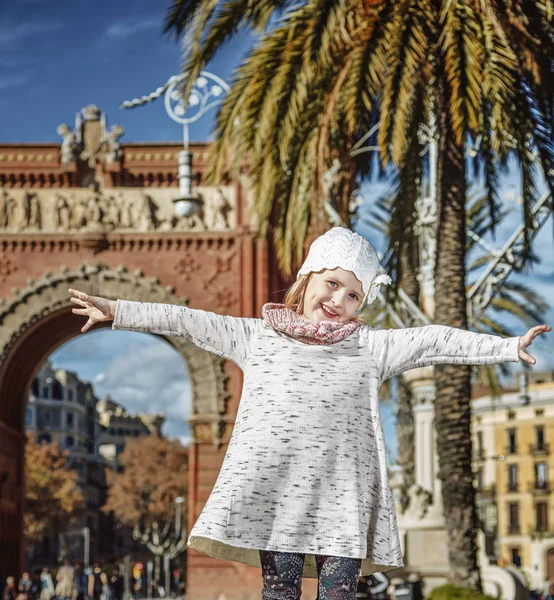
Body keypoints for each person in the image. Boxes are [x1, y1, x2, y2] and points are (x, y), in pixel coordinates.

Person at [68, 227, 551, 600]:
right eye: (333, 284)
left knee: (339, 594)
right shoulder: (256, 336)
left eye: (354, 295)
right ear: (308, 279)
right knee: (279, 592)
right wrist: (119, 310)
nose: (338, 301)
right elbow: (187, 320)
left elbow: (435, 339)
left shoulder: (371, 346)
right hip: (277, 497)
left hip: (343, 500)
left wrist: (507, 346)